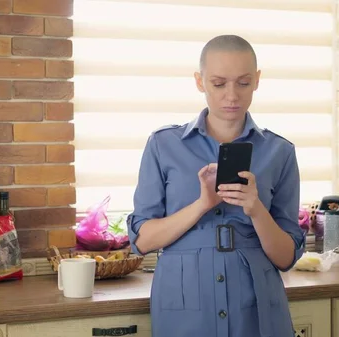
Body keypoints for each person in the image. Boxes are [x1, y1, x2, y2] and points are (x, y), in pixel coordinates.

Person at [126, 35, 305, 337]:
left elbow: (286, 257)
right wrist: (202, 205)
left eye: (244, 83)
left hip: (257, 304)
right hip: (184, 306)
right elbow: (142, 241)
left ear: (257, 80)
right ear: (200, 81)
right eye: (219, 84)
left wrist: (256, 209)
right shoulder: (163, 145)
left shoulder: (280, 152)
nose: (232, 95)